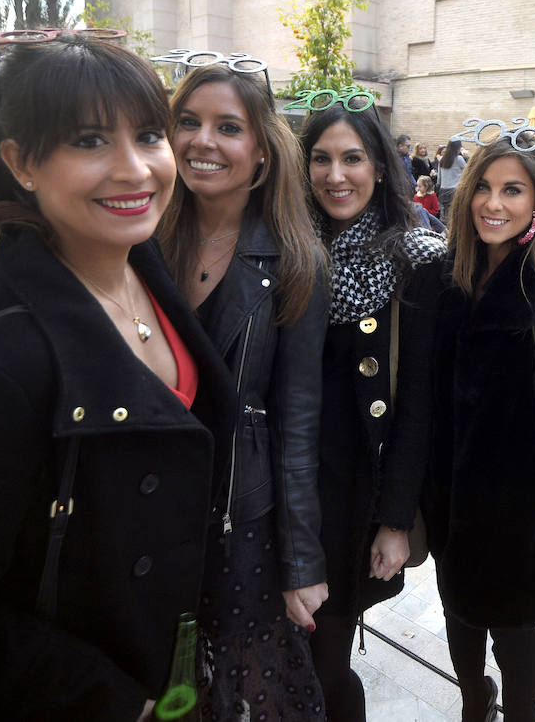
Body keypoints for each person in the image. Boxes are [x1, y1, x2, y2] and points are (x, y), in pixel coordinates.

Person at [0, 34, 237, 719]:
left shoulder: (141, 267)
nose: (136, 169)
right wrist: (117, 704)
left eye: (148, 134)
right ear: (20, 162)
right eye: (89, 141)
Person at [158, 62, 330, 718]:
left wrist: (302, 562)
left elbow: (299, 420)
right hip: (149, 506)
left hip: (240, 518)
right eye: (188, 122)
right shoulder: (140, 240)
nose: (204, 140)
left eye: (228, 127)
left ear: (261, 147)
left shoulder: (294, 259)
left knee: (248, 685)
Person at [428, 133, 535, 722]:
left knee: (515, 632)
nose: (492, 203)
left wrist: (534, 503)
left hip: (516, 512)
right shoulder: (451, 283)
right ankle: (476, 700)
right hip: (450, 500)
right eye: (482, 186)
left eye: (512, 190)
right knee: (458, 617)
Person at [301, 98, 445, 721]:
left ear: (381, 168)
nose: (337, 175)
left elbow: (418, 404)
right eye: (321, 159)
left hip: (356, 492)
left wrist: (394, 519)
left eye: (352, 158)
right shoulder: (286, 251)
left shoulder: (415, 259)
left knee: (328, 653)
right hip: (288, 483)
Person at [436, 138, 467, 221]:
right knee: (455, 217)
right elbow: (468, 173)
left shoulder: (442, 159)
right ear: (457, 148)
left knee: (444, 217)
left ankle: (446, 233)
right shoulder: (459, 159)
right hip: (455, 191)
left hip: (443, 190)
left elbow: (439, 178)